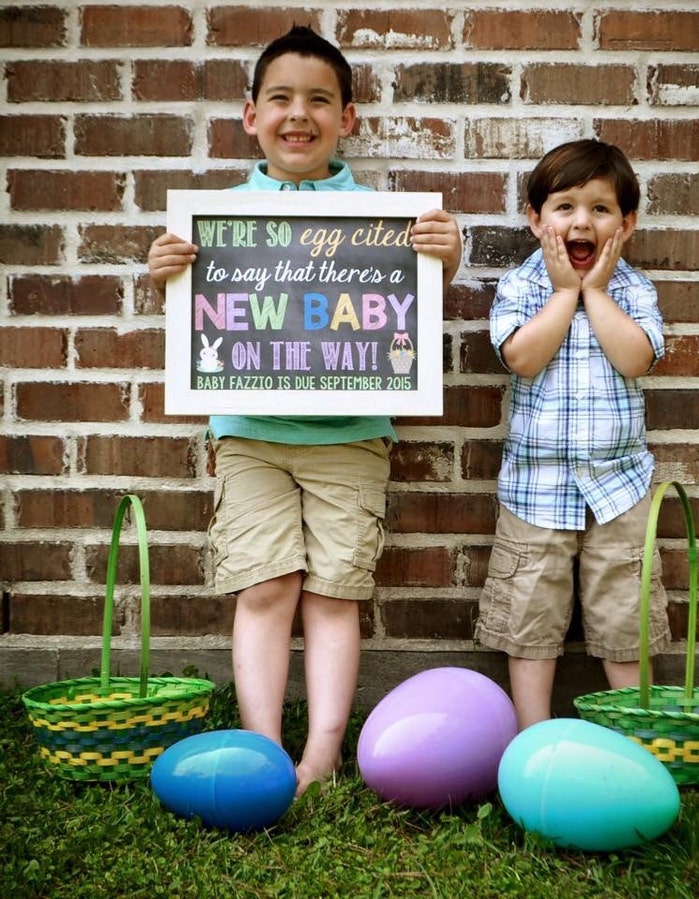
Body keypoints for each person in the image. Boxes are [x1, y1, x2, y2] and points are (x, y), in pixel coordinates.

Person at [148, 25, 462, 794]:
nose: (300, 114)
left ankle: (320, 756)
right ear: (249, 114)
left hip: (350, 438)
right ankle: (262, 751)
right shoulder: (214, 217)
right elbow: (200, 313)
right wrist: (166, 273)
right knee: (262, 587)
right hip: (250, 435)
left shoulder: (383, 215)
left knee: (333, 593)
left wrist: (443, 258)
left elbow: (406, 307)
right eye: (281, 98)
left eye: (319, 100)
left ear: (347, 118)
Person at [474, 139, 669, 730]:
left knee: (623, 615)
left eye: (600, 208)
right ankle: (532, 734)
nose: (581, 221)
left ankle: (635, 733)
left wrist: (597, 293)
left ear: (626, 224)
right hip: (536, 489)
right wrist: (565, 293)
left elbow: (637, 359)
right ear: (535, 220)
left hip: (620, 489)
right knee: (531, 615)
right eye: (564, 206)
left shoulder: (632, 289)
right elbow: (522, 358)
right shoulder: (521, 287)